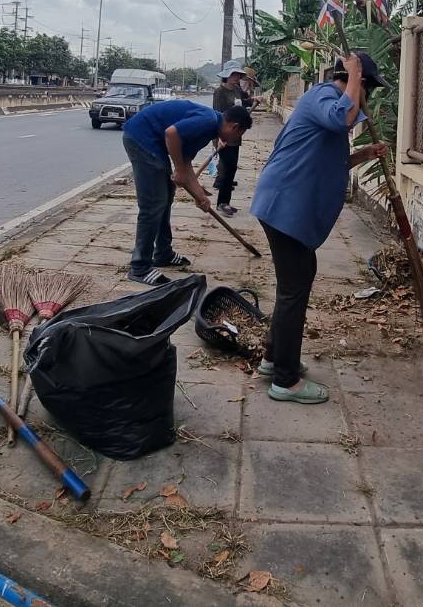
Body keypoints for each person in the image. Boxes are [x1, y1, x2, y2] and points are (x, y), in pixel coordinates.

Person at [250, 51, 389, 404]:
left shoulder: (328, 104)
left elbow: (330, 159)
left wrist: (364, 154)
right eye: (368, 89)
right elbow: (341, 117)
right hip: (284, 206)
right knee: (294, 289)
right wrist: (356, 75)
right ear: (362, 84)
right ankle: (285, 381)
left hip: (286, 206)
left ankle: (273, 358)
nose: (367, 99)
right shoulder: (323, 97)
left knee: (293, 285)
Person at [121, 98, 252, 285]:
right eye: (239, 135)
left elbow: (186, 163)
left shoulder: (210, 129)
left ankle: (163, 253)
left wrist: (200, 196)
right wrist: (179, 169)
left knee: (166, 197)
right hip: (141, 138)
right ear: (235, 127)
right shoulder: (208, 120)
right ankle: (140, 267)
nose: (234, 140)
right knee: (154, 203)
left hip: (154, 143)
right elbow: (171, 133)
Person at [211, 61, 250, 215]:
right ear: (226, 75)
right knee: (227, 169)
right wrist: (219, 136)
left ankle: (225, 202)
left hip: (235, 135)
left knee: (232, 168)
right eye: (234, 74)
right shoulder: (219, 92)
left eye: (238, 75)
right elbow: (217, 114)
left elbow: (242, 104)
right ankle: (222, 203)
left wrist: (254, 100)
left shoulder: (237, 90)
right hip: (224, 135)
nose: (237, 77)